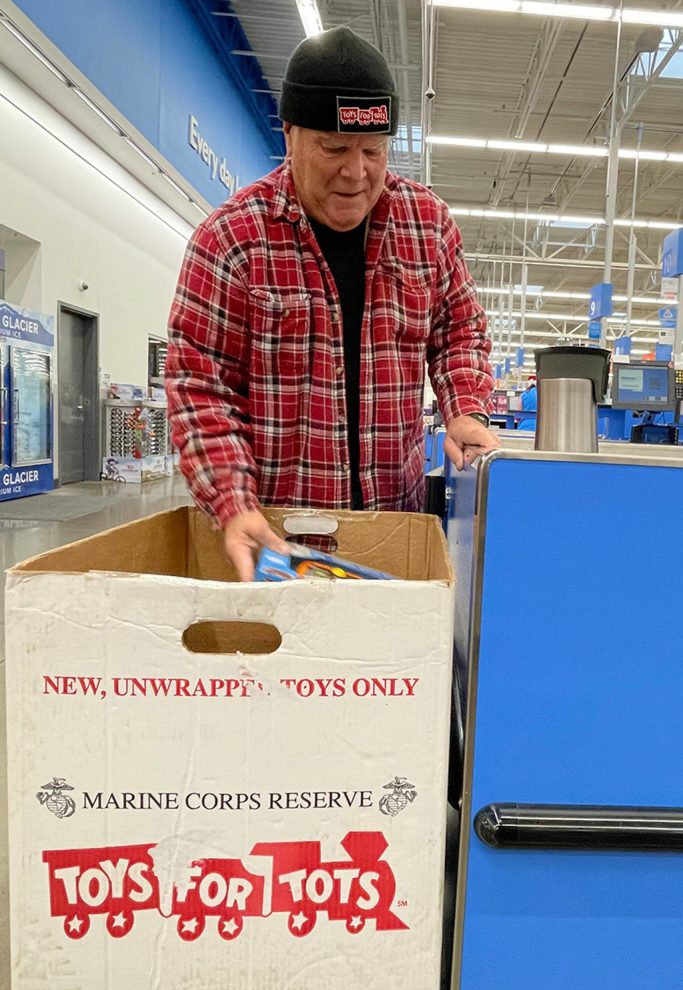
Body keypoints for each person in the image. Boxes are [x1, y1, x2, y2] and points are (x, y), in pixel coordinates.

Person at [165, 26, 499, 581]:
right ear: (290, 133)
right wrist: (233, 502)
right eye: (334, 148)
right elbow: (200, 387)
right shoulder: (231, 241)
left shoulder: (427, 227)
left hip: (396, 531)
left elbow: (459, 330)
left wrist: (462, 408)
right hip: (276, 545)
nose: (357, 171)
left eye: (374, 151)